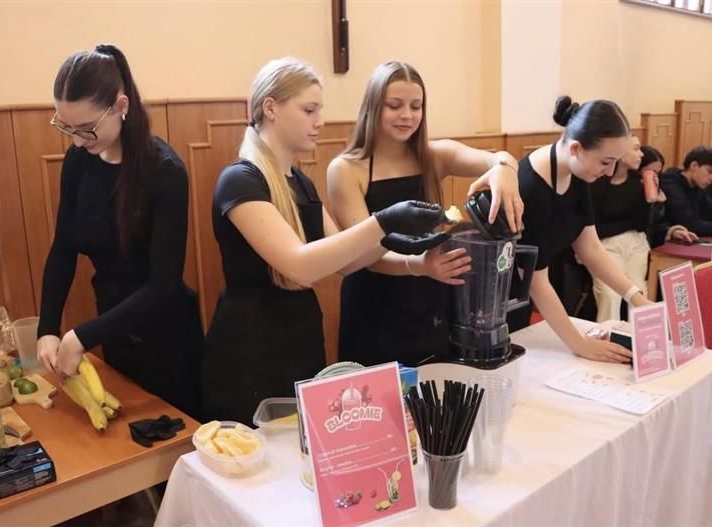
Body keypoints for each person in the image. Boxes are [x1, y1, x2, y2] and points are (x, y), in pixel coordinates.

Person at [201, 58, 449, 423]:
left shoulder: (300, 183)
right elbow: (299, 265)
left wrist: (403, 242)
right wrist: (385, 221)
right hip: (250, 350)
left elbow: (347, 261)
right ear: (270, 108)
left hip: (300, 340)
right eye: (309, 110)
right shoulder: (240, 181)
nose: (319, 121)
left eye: (320, 110)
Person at [36, 45, 205, 418]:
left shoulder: (165, 171)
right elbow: (63, 249)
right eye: (66, 128)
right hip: (113, 331)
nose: (77, 141)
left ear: (121, 106)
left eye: (86, 129)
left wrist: (82, 336)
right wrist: (48, 327)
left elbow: (163, 286)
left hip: (167, 340)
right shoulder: (79, 161)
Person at [327, 61, 522, 367]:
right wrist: (417, 265)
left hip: (429, 292)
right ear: (373, 107)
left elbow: (498, 159)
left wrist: (504, 169)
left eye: (416, 106)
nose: (407, 115)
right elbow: (362, 254)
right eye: (395, 105)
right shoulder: (347, 169)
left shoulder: (434, 156)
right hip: (375, 301)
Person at [507, 96, 650, 363]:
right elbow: (535, 281)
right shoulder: (530, 188)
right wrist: (580, 344)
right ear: (575, 148)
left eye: (615, 162)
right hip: (498, 301)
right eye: (605, 162)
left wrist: (637, 298)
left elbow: (591, 248)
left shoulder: (578, 172)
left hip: (527, 298)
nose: (610, 172)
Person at [590, 135, 652, 321]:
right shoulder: (596, 182)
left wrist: (649, 201)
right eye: (636, 148)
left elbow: (641, 225)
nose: (641, 154)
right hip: (604, 245)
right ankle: (608, 335)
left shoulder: (638, 183)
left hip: (635, 244)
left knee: (639, 291)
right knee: (610, 295)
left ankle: (641, 336)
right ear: (620, 153)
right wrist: (626, 224)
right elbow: (595, 228)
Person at [640, 146, 698, 248]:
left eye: (658, 173)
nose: (655, 178)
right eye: (650, 172)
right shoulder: (627, 193)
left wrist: (672, 232)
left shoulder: (659, 194)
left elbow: (657, 226)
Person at [661, 146, 712, 237]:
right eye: (710, 172)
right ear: (694, 166)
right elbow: (690, 224)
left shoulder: (697, 187)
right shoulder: (670, 184)